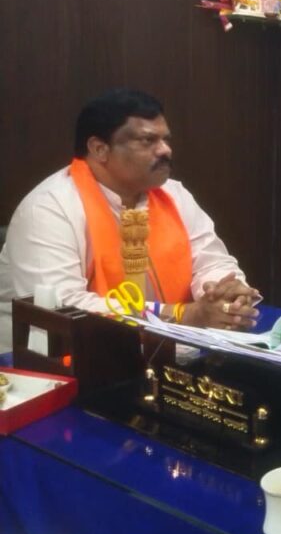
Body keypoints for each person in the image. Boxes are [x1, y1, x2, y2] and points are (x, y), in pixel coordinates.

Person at [0, 89, 261, 352]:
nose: (165, 150)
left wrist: (226, 295)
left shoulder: (174, 195)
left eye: (166, 139)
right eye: (148, 140)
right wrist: (183, 316)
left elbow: (212, 261)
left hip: (166, 350)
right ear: (100, 149)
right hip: (50, 361)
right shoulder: (48, 208)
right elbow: (62, 308)